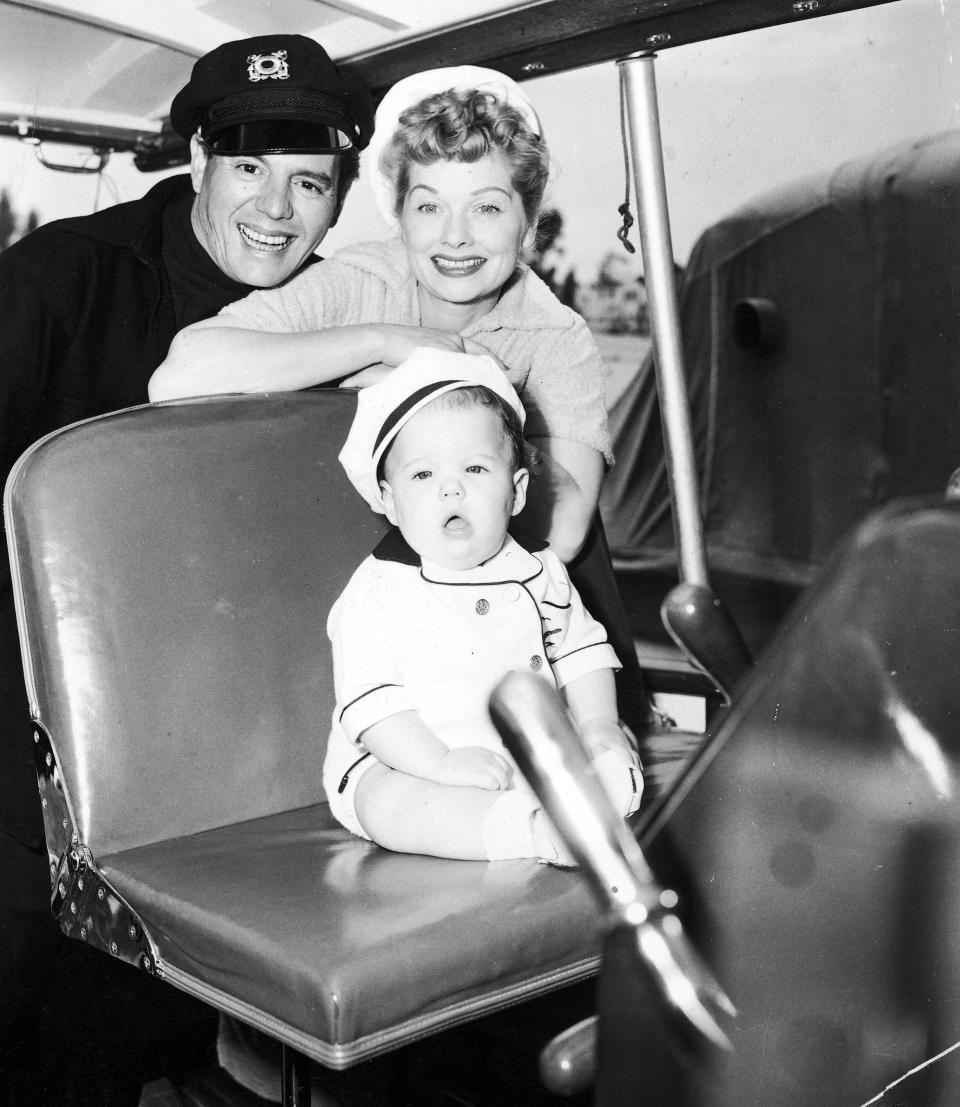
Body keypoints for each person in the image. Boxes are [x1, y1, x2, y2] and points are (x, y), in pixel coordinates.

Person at [0, 34, 372, 1104]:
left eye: (312, 180)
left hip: (236, 755)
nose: (277, 207)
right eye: (248, 166)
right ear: (196, 159)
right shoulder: (61, 282)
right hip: (35, 741)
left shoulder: (342, 318)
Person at [150, 66, 612, 564]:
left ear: (527, 225)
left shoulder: (555, 334)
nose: (455, 236)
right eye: (429, 208)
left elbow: (561, 529)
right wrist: (379, 344)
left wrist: (432, 387)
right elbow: (178, 377)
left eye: (487, 209)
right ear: (401, 219)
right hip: (324, 555)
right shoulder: (360, 279)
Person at [325, 347, 642, 865]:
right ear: (388, 499)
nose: (452, 488)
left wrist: (599, 723)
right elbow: (373, 708)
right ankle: (534, 834)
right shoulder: (381, 590)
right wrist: (442, 763)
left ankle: (601, 795)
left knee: (610, 748)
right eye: (423, 476)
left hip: (536, 750)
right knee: (391, 805)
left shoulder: (540, 569)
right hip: (407, 759)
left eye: (475, 468)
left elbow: (581, 652)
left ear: (516, 492)